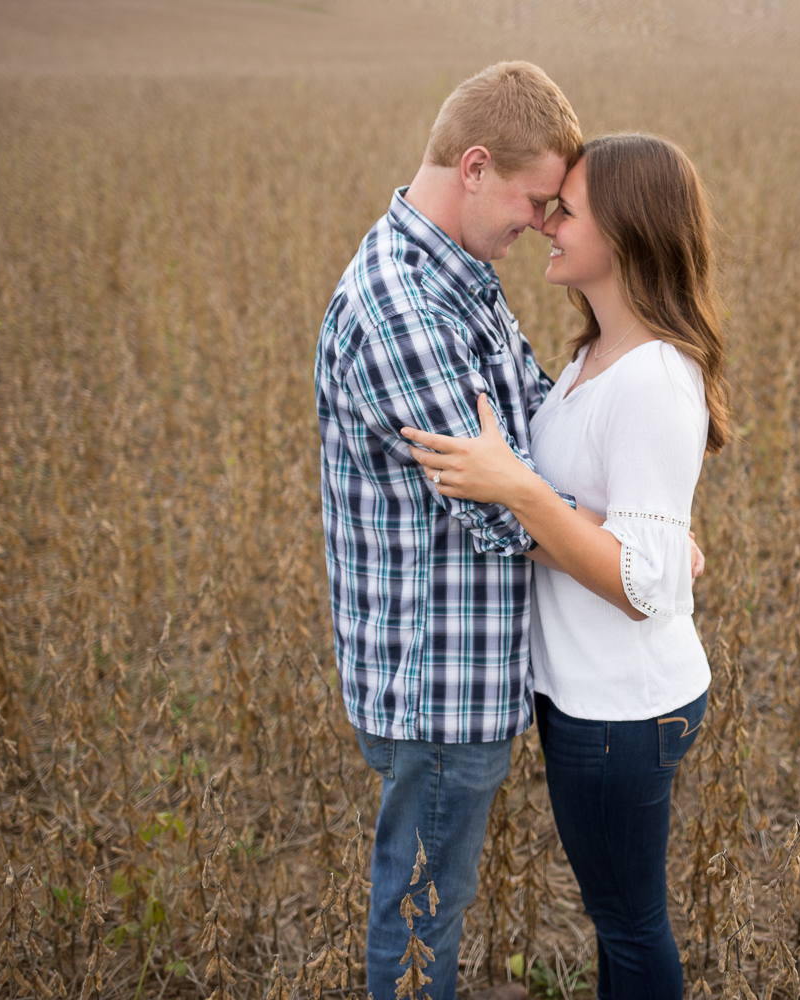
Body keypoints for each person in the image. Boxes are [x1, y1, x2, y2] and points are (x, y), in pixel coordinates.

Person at [401, 132, 730, 1000]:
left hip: (625, 710)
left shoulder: (656, 378)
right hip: (589, 700)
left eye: (567, 210)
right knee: (616, 919)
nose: (547, 221)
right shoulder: (592, 358)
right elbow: (621, 533)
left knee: (630, 926)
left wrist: (517, 487)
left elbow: (642, 584)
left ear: (624, 234)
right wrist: (546, 502)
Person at [313, 61, 583, 1000]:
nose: (545, 224)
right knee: (421, 916)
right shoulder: (403, 307)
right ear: (474, 165)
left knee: (436, 903)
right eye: (537, 199)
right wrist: (632, 557)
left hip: (464, 678)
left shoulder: (460, 277)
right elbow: (504, 507)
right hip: (434, 687)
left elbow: (537, 421)